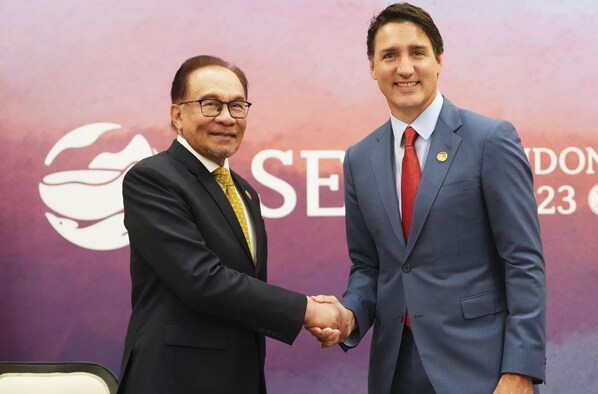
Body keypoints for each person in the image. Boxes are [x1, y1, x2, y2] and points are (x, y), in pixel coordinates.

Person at [311, 3, 546, 393]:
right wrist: (348, 315)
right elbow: (369, 268)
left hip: (482, 370)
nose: (404, 68)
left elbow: (523, 262)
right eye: (389, 55)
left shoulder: (490, 139)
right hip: (395, 370)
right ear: (372, 67)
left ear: (438, 60)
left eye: (416, 53)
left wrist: (520, 369)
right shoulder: (359, 158)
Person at [117, 55, 345, 394]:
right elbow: (201, 279)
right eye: (210, 105)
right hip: (175, 380)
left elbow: (243, 290)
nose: (226, 118)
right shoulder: (152, 178)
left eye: (237, 106)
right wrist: (306, 311)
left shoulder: (244, 192)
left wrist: (306, 315)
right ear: (177, 114)